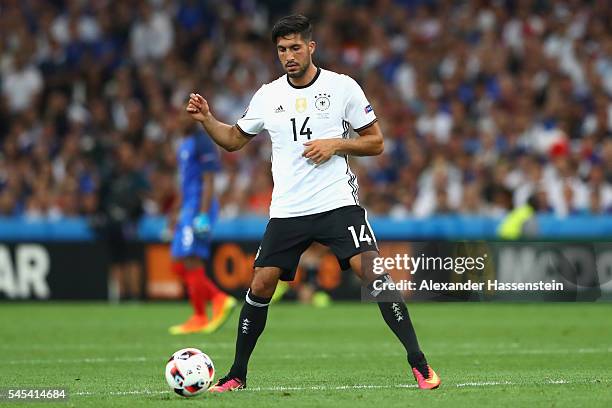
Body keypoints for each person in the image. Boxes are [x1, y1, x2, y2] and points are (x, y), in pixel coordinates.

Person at [186, 14, 440, 390]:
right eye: (281, 50)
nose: (288, 55)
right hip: (288, 210)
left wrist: (336, 143)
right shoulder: (268, 94)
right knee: (260, 285)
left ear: (310, 47)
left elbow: (376, 141)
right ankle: (237, 374)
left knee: (374, 274)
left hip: (336, 201)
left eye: (294, 48)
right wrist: (207, 119)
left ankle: (420, 365)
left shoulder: (342, 88)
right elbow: (234, 140)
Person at [168, 121, 237, 335]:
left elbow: (208, 180)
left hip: (198, 207)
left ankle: (200, 315)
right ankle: (218, 298)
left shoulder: (202, 142)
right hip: (188, 206)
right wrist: (174, 210)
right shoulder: (184, 143)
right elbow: (185, 182)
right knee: (179, 264)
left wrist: (203, 215)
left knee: (191, 259)